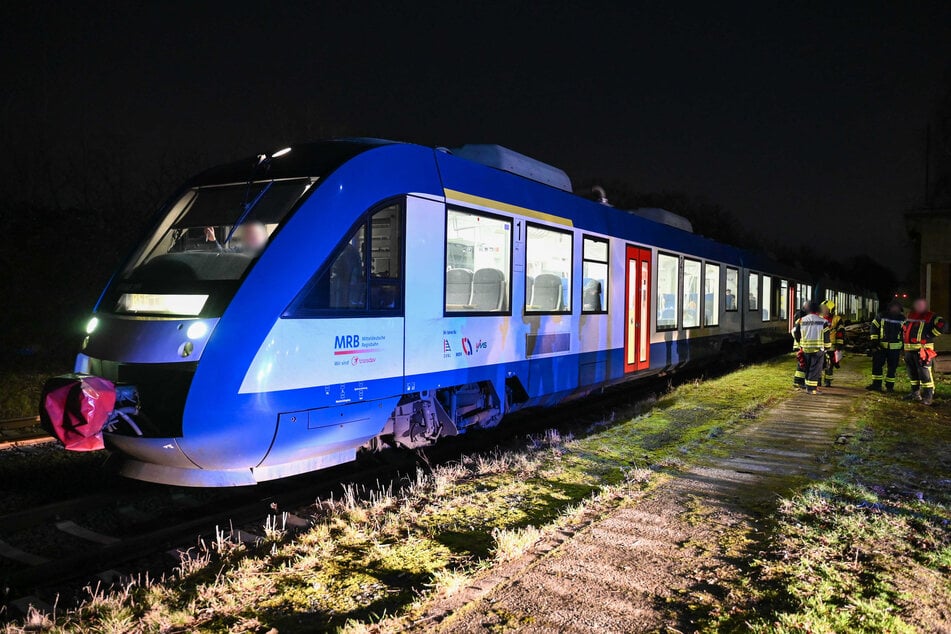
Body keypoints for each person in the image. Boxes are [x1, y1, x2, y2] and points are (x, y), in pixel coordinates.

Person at [902, 298, 946, 405]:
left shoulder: (931, 316)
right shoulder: (911, 315)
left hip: (922, 350)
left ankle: (928, 397)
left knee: (924, 373)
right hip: (909, 350)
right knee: (912, 374)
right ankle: (915, 393)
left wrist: (930, 335)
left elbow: (943, 324)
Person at [866, 300, 904, 392]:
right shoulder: (881, 316)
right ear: (889, 308)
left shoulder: (902, 319)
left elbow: (905, 333)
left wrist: (904, 346)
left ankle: (890, 387)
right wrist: (874, 341)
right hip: (880, 346)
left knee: (892, 368)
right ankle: (876, 385)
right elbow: (874, 327)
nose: (895, 309)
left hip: (895, 348)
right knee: (877, 366)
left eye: (897, 308)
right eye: (893, 307)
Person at [793, 301, 830, 395]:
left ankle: (809, 387)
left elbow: (796, 332)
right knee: (815, 369)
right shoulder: (823, 321)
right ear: (817, 310)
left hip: (805, 349)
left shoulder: (801, 320)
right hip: (818, 349)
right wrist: (827, 347)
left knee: (808, 368)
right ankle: (811, 389)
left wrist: (800, 343)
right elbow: (826, 336)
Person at [820, 300, 845, 387]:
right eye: (822, 308)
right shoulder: (818, 317)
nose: (824, 310)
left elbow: (840, 333)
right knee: (819, 363)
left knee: (829, 364)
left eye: (825, 308)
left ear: (831, 309)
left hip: (832, 345)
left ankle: (828, 381)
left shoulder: (837, 319)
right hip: (820, 345)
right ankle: (818, 380)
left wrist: (839, 346)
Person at [204, 221, 269, 254]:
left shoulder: (271, 252)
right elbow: (222, 254)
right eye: (248, 233)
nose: (251, 236)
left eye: (255, 233)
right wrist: (213, 240)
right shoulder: (241, 249)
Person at [791, 300, 811, 388]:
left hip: (801, 342)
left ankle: (799, 381)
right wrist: (800, 342)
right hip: (801, 343)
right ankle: (798, 381)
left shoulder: (800, 314)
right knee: (802, 361)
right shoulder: (801, 315)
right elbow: (797, 331)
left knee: (802, 361)